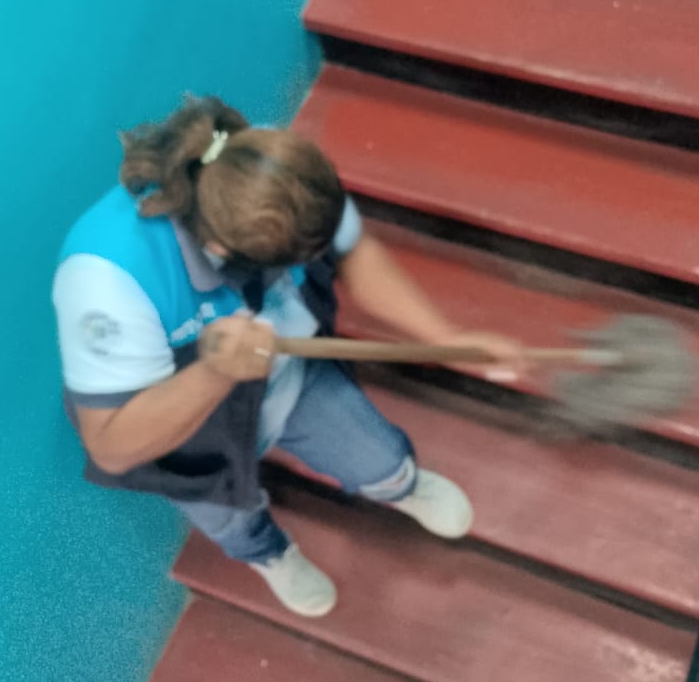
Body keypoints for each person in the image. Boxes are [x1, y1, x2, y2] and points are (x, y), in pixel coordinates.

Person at [52, 96, 524, 617]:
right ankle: (270, 555)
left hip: (285, 378)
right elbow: (111, 446)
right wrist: (214, 374)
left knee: (379, 457)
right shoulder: (106, 279)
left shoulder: (272, 169)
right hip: (181, 426)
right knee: (230, 519)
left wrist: (446, 336)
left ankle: (400, 486)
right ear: (224, 251)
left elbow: (355, 252)